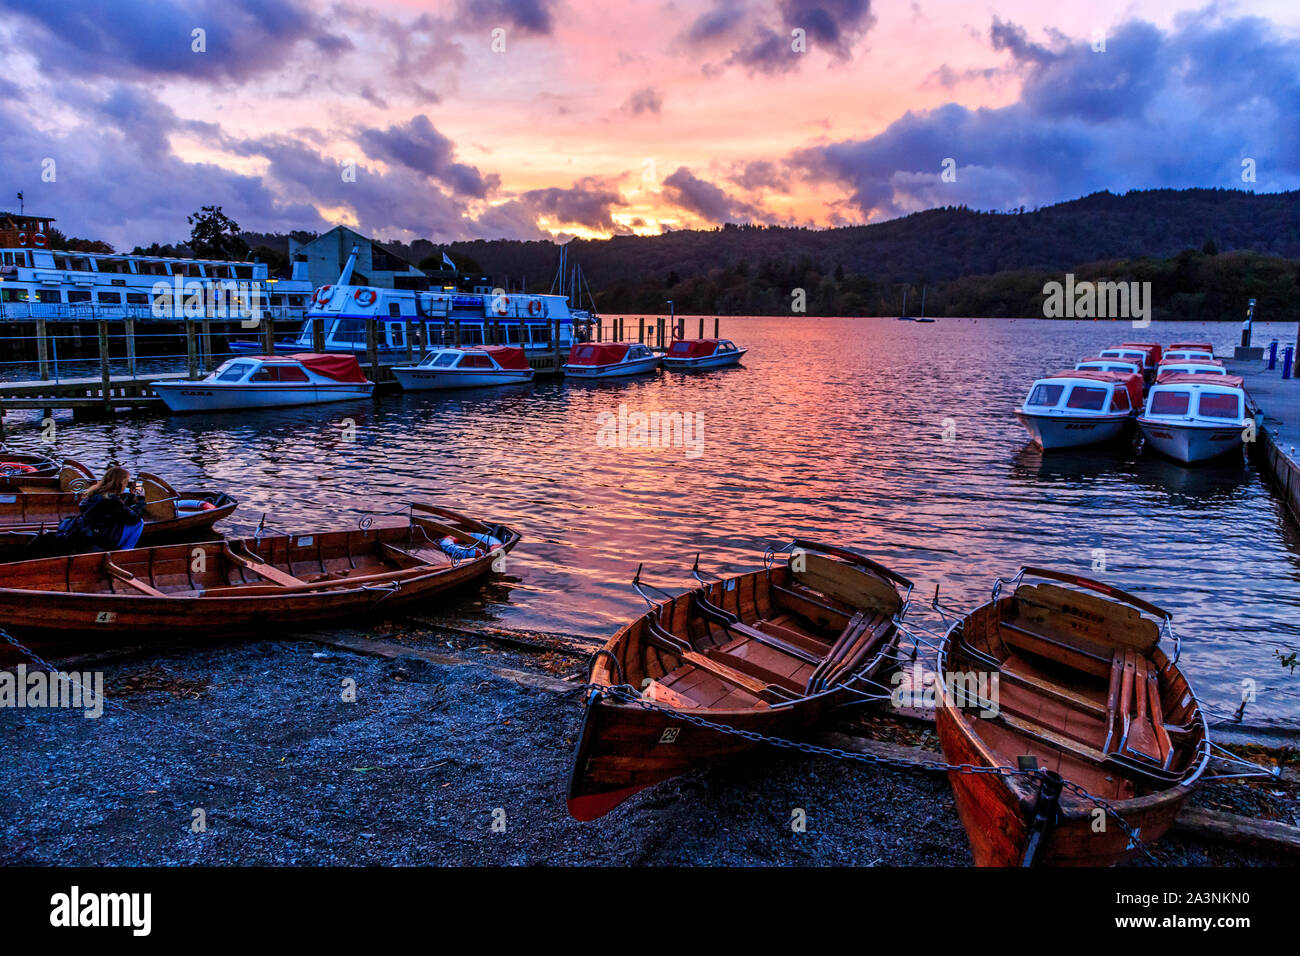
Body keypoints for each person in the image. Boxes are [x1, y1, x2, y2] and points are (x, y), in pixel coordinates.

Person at [74, 465, 147, 551]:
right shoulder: (112, 500)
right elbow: (134, 518)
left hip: (90, 533)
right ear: (121, 483)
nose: (127, 485)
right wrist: (141, 499)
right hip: (103, 539)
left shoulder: (93, 493)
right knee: (139, 523)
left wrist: (131, 498)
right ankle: (126, 550)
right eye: (126, 482)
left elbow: (118, 511)